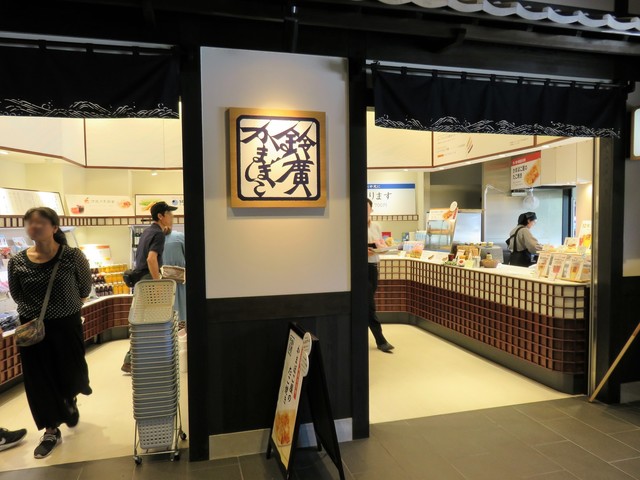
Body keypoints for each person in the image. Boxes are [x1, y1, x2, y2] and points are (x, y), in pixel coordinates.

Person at [8, 207, 92, 459]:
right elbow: (17, 294)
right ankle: (50, 430)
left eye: (40, 222)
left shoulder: (72, 256)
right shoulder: (17, 261)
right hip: (33, 328)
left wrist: (63, 306)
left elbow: (84, 288)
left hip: (66, 324)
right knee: (39, 379)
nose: (33, 227)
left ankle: (69, 398)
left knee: (71, 371)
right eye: (29, 223)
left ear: (54, 227)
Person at [121, 201, 177, 373]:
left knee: (143, 319)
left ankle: (134, 360)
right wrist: (157, 282)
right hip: (148, 279)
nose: (172, 217)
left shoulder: (149, 231)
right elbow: (151, 259)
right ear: (161, 216)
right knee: (150, 321)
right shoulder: (158, 234)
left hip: (140, 280)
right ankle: (133, 360)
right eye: (169, 214)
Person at [367, 199, 394, 353]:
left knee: (367, 304)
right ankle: (380, 340)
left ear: (371, 209)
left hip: (373, 267)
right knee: (369, 304)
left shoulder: (376, 226)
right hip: (360, 268)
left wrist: (383, 248)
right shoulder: (355, 224)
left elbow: (380, 245)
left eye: (367, 208)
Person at [163, 229, 186, 326]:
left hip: (164, 283)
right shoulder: (179, 237)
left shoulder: (156, 240)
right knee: (183, 311)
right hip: (182, 281)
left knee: (169, 313)